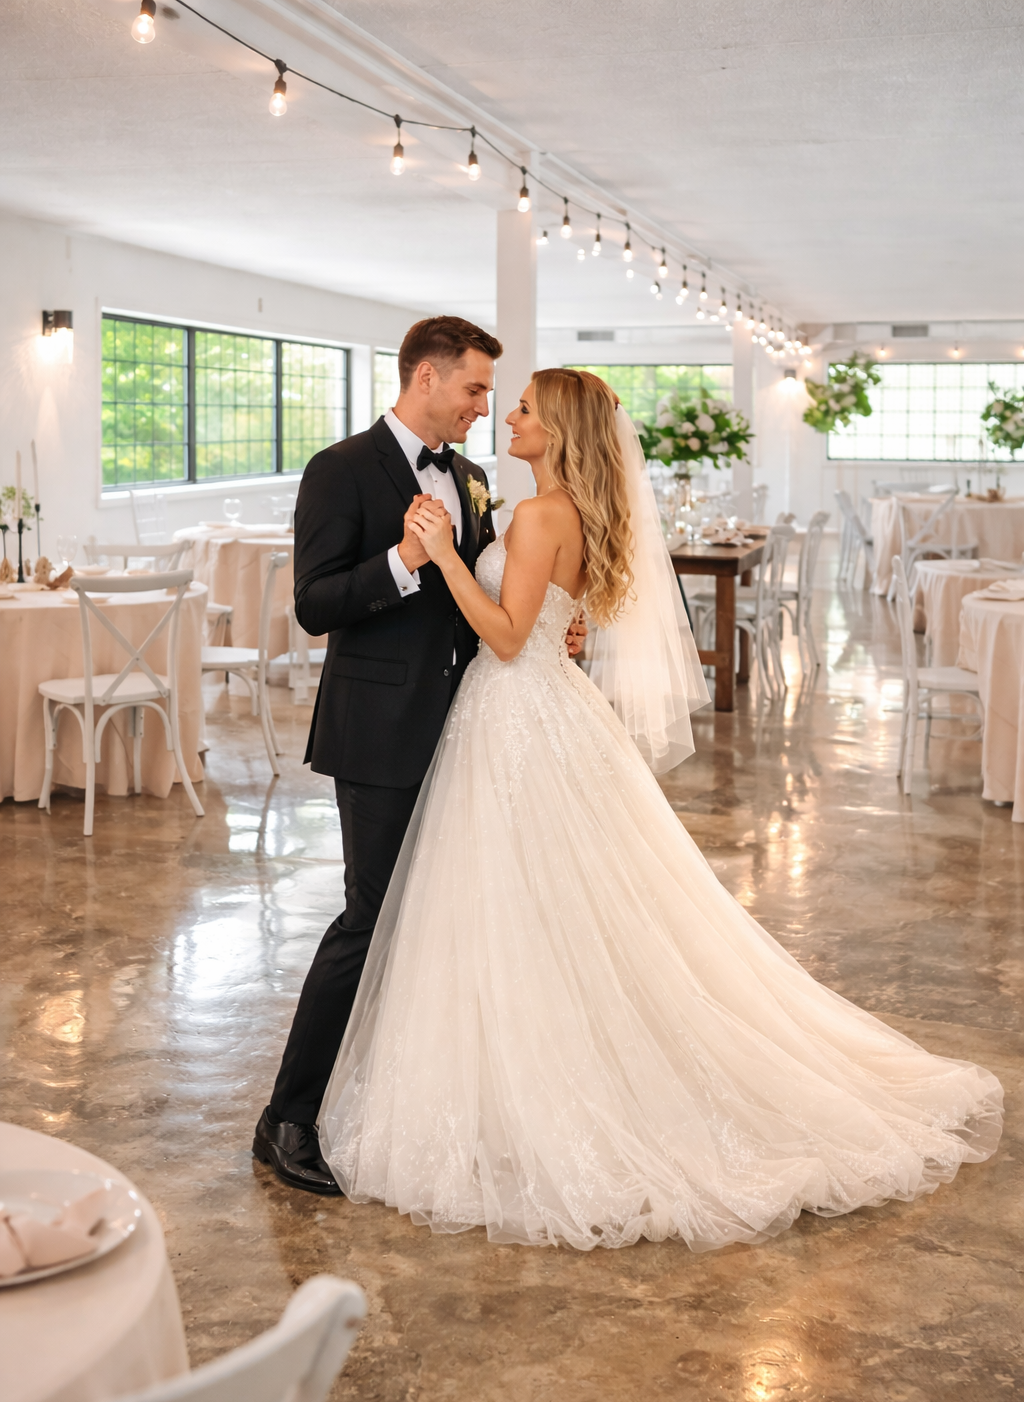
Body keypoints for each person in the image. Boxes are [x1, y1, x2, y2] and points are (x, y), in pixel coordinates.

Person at [317, 368, 1002, 1251]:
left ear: (556, 429)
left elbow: (506, 634)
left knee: (516, 905)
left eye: (524, 406)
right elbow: (552, 618)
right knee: (547, 907)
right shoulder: (553, 509)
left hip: (516, 712)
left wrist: (442, 554)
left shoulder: (535, 515)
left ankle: (530, 1090)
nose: (510, 417)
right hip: (533, 711)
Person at [254, 317, 585, 1193]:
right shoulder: (341, 469)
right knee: (368, 920)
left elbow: (482, 594)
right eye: (476, 389)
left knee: (442, 921)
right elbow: (316, 605)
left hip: (471, 729)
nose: (485, 407)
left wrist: (555, 622)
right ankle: (286, 1120)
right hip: (379, 730)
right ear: (428, 377)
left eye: (491, 395)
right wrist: (403, 558)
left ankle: (410, 1103)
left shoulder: (474, 479)